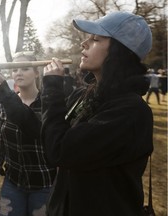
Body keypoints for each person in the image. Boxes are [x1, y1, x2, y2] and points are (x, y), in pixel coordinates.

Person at [41, 11, 154, 215]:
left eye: (95, 39)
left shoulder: (130, 112)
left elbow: (60, 150)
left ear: (119, 52)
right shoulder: (84, 96)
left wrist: (51, 89)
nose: (84, 43)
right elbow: (49, 135)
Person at [0, 51, 57, 216]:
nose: (18, 73)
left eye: (25, 68)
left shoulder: (49, 105)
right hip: (13, 183)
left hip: (44, 185)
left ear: (37, 73)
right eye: (15, 69)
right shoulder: (5, 105)